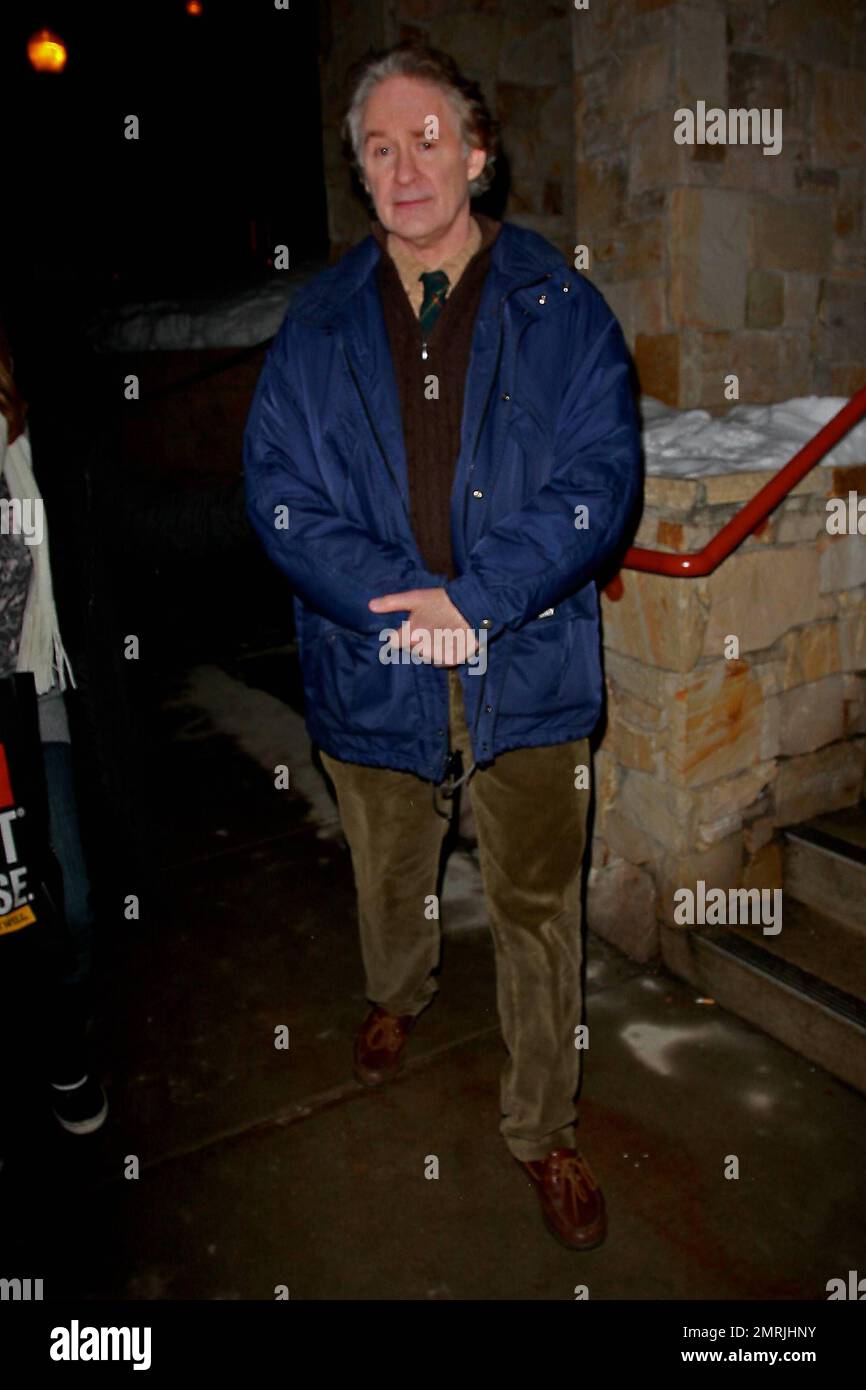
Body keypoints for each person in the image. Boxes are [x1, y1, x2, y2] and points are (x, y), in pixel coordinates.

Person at [244, 41, 641, 1250]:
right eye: (378, 146)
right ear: (361, 177)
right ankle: (393, 992)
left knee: (534, 907)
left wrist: (478, 597)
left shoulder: (561, 307)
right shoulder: (311, 326)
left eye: (427, 139)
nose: (404, 164)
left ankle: (543, 1127)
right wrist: (401, 600)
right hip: (371, 661)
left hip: (524, 660)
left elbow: (599, 478)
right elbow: (276, 493)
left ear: (476, 154)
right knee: (386, 868)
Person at [0, 322, 107, 1147]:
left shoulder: (35, 448)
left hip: (31, 700)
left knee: (63, 904)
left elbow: (124, 528)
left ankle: (64, 1043)